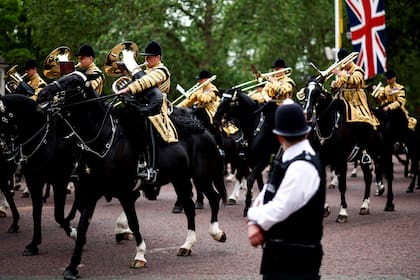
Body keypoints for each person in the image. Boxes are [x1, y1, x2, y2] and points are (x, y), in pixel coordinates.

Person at [247, 99, 326, 280]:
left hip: (295, 257)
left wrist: (253, 217)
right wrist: (254, 221)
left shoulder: (302, 165)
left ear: (278, 137)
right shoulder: (289, 159)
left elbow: (281, 207)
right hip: (281, 253)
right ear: (306, 133)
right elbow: (268, 191)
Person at [117, 40, 177, 183]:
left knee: (148, 125)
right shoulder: (148, 70)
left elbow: (145, 82)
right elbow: (138, 80)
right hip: (140, 104)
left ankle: (152, 167)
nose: (146, 59)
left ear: (158, 57)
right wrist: (126, 71)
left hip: (156, 108)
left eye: (149, 57)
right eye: (145, 57)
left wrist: (128, 89)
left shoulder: (162, 71)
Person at [330, 48, 380, 163]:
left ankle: (364, 152)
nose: (342, 64)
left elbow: (355, 81)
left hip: (356, 102)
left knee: (362, 123)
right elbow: (339, 87)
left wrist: (340, 73)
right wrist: (334, 86)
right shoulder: (342, 71)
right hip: (343, 101)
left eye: (344, 61)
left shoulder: (358, 70)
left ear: (349, 59)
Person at [177, 70, 223, 153]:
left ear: (205, 80)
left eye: (200, 79)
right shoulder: (200, 89)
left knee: (207, 120)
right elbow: (188, 101)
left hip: (211, 112)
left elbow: (205, 100)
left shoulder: (212, 89)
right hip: (200, 110)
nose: (198, 81)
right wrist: (176, 108)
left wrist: (198, 93)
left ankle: (219, 146)